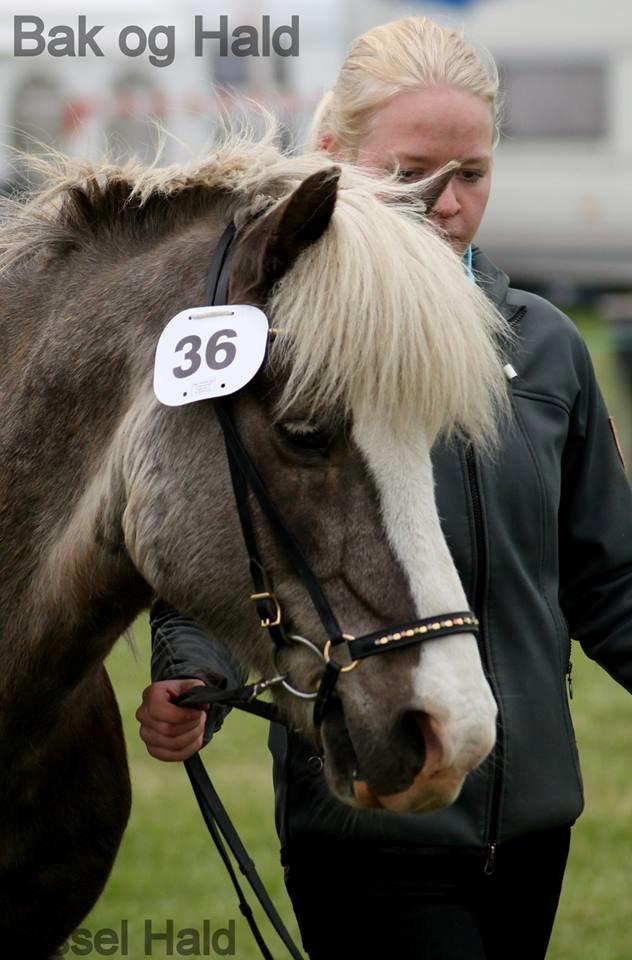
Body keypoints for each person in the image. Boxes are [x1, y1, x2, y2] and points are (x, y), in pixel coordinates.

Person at [136, 16, 632, 960]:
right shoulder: (275, 348)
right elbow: (214, 540)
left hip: (531, 825)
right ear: (333, 160)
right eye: (413, 173)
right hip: (370, 815)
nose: (446, 205)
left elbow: (609, 578)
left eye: (473, 174)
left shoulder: (547, 347)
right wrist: (192, 662)